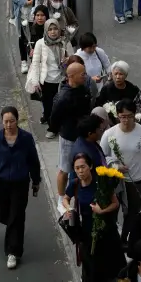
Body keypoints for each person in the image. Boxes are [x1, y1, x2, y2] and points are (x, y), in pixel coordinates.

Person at [0, 106, 42, 270]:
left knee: (16, 216)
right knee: (7, 215)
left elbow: (33, 161)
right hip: (0, 183)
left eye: (12, 121)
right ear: (2, 122)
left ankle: (12, 252)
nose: (9, 125)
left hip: (20, 183)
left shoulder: (26, 139)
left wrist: (36, 181)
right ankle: (10, 226)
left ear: (17, 120)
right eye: (6, 121)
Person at [62, 153, 125, 282]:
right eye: (77, 168)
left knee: (111, 267)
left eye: (83, 167)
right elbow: (65, 198)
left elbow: (115, 203)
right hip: (87, 233)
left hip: (106, 231)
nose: (80, 171)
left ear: (90, 166)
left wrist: (102, 211)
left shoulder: (101, 182)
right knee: (91, 268)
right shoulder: (75, 184)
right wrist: (69, 209)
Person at [101, 99, 141, 242]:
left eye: (129, 116)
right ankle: (113, 238)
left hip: (135, 180)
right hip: (115, 179)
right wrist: (116, 167)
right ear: (117, 116)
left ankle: (125, 238)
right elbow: (102, 156)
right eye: (122, 116)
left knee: (133, 212)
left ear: (134, 114)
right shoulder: (109, 134)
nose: (126, 120)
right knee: (113, 210)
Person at [50, 62, 93, 196]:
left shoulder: (83, 88)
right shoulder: (63, 97)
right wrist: (61, 129)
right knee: (65, 169)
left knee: (81, 167)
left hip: (83, 136)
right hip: (69, 138)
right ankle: (61, 197)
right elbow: (54, 118)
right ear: (71, 76)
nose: (85, 76)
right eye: (82, 74)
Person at [25, 19, 70, 134]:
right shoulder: (40, 43)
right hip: (46, 81)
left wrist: (66, 61)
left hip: (60, 79)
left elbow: (67, 60)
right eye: (50, 29)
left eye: (55, 29)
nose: (53, 32)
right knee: (48, 105)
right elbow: (35, 63)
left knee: (60, 104)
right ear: (46, 31)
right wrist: (35, 82)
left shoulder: (62, 42)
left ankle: (58, 124)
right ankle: (52, 128)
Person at [10, 0, 42, 73]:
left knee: (35, 37)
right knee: (22, 37)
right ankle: (23, 61)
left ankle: (34, 61)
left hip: (35, 14)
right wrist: (25, 2)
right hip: (22, 13)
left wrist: (35, 3)